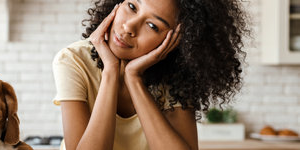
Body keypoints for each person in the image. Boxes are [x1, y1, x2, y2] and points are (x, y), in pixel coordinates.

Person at [52, 0, 249, 149]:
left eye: (153, 25)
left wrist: (133, 78)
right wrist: (111, 71)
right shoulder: (73, 60)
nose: (129, 27)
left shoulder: (177, 78)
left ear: (178, 41)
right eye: (132, 6)